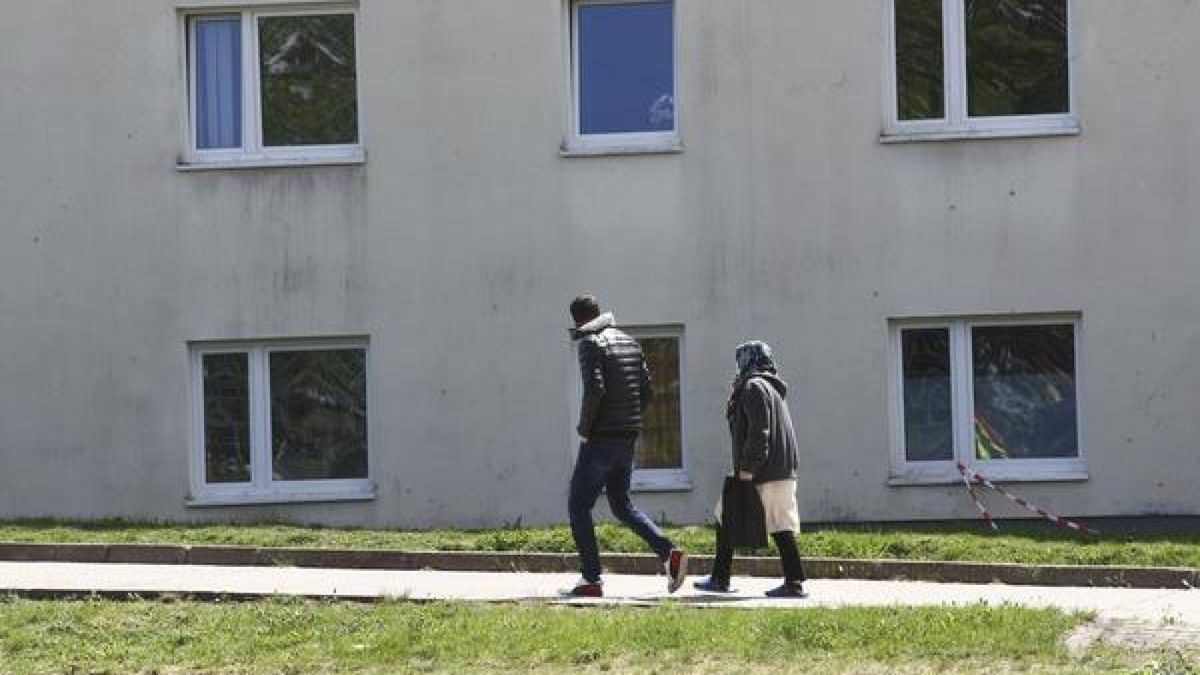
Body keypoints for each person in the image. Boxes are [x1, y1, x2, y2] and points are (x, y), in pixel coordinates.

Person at [563, 294, 687, 597]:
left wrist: (585, 430)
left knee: (578, 505)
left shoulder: (590, 343)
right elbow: (646, 392)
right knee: (621, 504)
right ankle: (669, 553)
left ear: (578, 321)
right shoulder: (630, 342)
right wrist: (627, 421)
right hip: (627, 438)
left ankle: (591, 579)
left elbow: (594, 390)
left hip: (600, 440)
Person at [694, 340, 808, 598]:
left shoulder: (753, 387)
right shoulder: (772, 387)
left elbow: (759, 432)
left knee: (730, 517)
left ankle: (721, 579)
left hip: (763, 470)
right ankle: (792, 581)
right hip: (781, 468)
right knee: (777, 524)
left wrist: (747, 468)